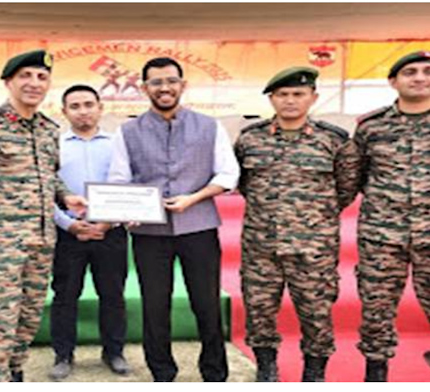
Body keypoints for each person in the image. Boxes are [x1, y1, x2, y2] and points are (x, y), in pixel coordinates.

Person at [0, 49, 87, 382]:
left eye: (42, 77)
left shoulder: (48, 129)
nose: (34, 83)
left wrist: (66, 195)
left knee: (27, 320)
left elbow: (48, 174)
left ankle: (13, 374)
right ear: (8, 82)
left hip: (41, 241)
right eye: (26, 76)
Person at [107, 57, 239, 382]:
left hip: (199, 228)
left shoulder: (209, 126)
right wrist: (127, 210)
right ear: (144, 88)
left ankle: (215, 374)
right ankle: (162, 374)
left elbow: (228, 174)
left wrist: (193, 198)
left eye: (171, 81)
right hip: (149, 234)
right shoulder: (128, 131)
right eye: (156, 82)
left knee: (206, 303)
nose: (164, 88)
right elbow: (119, 180)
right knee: (155, 305)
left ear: (182, 85)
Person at [234, 67, 357, 382]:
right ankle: (266, 367)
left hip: (314, 247)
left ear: (313, 98)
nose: (290, 101)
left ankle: (314, 372)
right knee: (259, 310)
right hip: (261, 245)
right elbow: (244, 184)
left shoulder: (334, 140)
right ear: (272, 99)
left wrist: (312, 218)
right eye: (282, 94)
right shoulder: (250, 139)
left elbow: (346, 188)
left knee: (316, 312)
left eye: (298, 94)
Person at [350, 51, 430, 382]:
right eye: (410, 72)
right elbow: (354, 176)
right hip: (381, 235)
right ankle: (376, 375)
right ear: (393, 82)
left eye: (427, 71)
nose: (420, 78)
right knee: (376, 310)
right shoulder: (371, 127)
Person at [48, 85, 130, 380]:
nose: (83, 111)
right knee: (65, 295)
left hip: (111, 232)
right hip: (68, 232)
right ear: (64, 111)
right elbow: (44, 190)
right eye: (75, 106)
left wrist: (107, 221)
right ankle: (63, 354)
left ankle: (114, 352)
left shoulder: (118, 144)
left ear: (100, 108)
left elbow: (128, 185)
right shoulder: (53, 146)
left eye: (88, 104)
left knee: (113, 294)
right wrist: (67, 224)